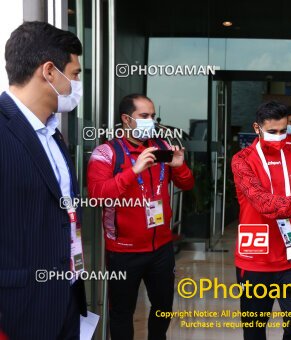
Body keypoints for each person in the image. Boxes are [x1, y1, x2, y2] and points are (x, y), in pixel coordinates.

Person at [0, 21, 87, 339]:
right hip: (16, 312)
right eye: (75, 74)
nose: (76, 85)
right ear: (49, 71)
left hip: (65, 300)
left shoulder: (53, 134)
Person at [87, 94, 195, 340]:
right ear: (126, 119)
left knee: (163, 309)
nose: (151, 121)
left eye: (153, 116)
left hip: (161, 248)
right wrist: (133, 170)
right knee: (123, 312)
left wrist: (180, 167)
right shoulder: (106, 152)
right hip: (124, 251)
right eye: (144, 116)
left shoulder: (162, 148)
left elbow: (187, 185)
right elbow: (97, 195)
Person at [231, 101, 291, 340]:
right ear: (257, 128)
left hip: (290, 258)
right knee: (254, 330)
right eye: (273, 131)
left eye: (284, 130)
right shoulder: (242, 160)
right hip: (254, 260)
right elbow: (263, 203)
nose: (280, 136)